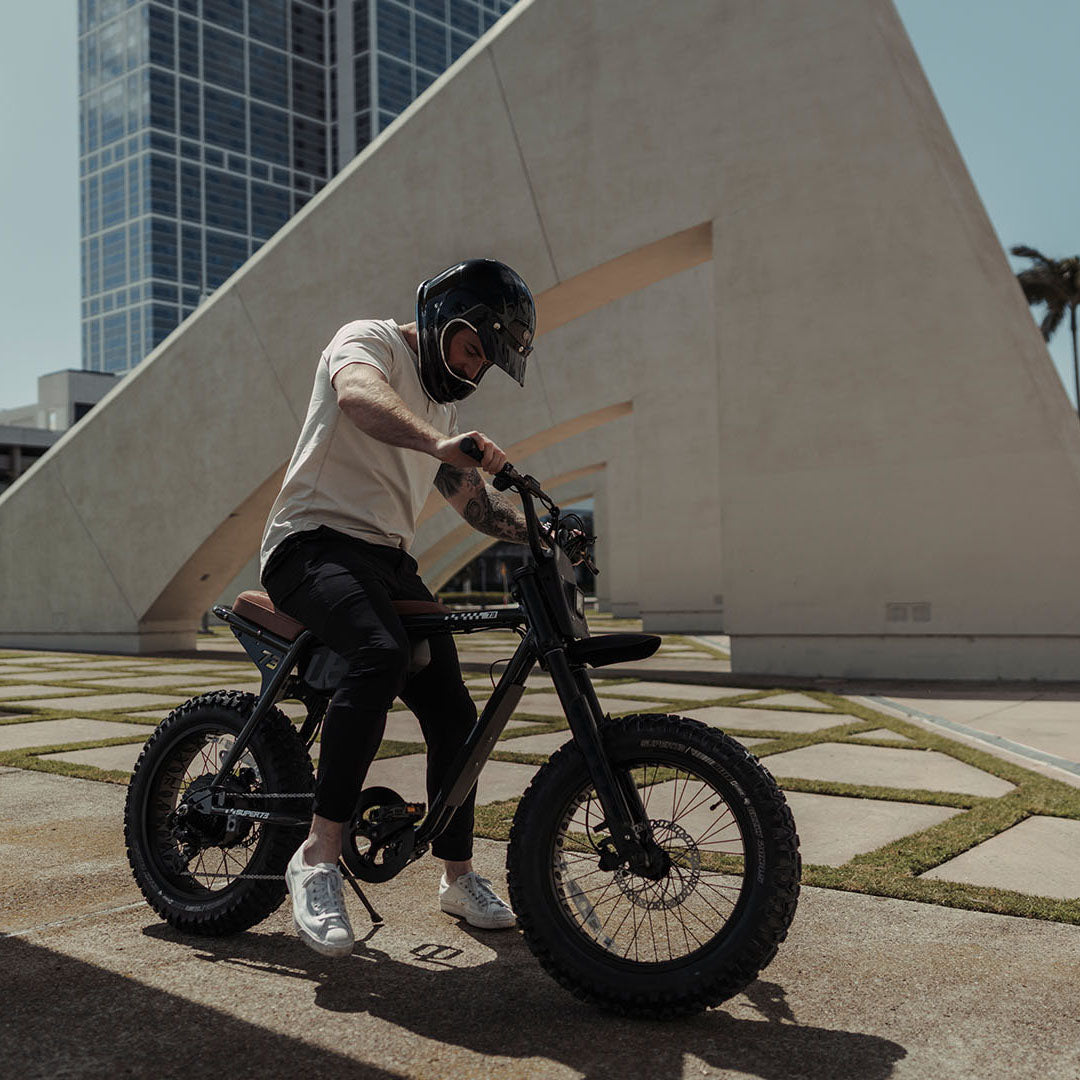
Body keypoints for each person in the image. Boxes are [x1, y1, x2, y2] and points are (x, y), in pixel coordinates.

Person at [259, 258, 537, 958]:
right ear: (447, 317)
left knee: (454, 711)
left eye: (486, 364)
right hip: (309, 543)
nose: (474, 371)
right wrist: (438, 440)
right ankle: (317, 857)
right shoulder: (369, 341)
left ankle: (457, 877)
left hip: (383, 560)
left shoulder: (441, 410)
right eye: (473, 350)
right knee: (379, 654)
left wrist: (538, 531)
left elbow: (472, 502)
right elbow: (357, 396)